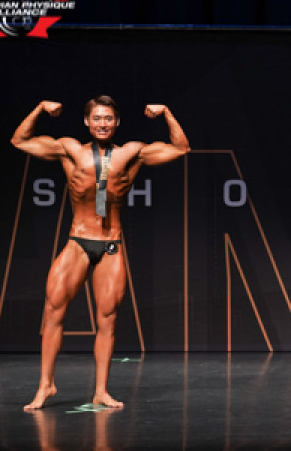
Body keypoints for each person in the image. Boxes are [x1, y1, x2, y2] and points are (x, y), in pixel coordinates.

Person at [12, 96, 190, 410]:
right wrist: (39, 108)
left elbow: (181, 148)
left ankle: (101, 391)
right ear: (87, 122)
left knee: (107, 319)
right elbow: (20, 141)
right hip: (78, 241)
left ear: (116, 122)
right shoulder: (70, 149)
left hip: (110, 244)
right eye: (97, 118)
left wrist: (166, 112)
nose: (102, 124)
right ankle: (46, 385)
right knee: (53, 311)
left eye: (108, 118)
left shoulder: (132, 153)